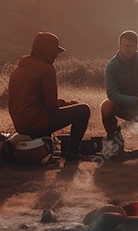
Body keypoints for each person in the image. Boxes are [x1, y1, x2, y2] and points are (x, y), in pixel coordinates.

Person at [8, 32, 91, 161]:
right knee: (83, 110)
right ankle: (73, 154)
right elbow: (52, 105)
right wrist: (69, 105)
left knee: (69, 111)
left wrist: (65, 105)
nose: (56, 56)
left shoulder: (20, 68)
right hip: (35, 124)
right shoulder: (46, 69)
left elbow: (38, 102)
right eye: (55, 51)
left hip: (22, 125)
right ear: (47, 51)